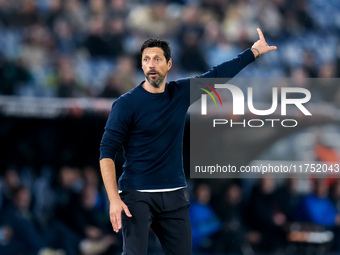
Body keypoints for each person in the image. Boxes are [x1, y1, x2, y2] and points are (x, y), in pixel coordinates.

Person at [99, 28, 277, 255]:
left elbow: (216, 75)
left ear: (168, 64)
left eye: (157, 59)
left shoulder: (180, 93)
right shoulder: (126, 104)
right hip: (137, 193)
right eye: (146, 60)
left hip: (173, 193)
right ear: (142, 66)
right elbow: (106, 151)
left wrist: (253, 53)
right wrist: (114, 199)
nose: (151, 64)